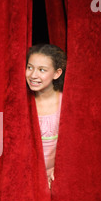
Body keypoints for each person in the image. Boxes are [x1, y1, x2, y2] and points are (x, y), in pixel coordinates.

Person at [25, 44, 67, 190]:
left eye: (42, 70)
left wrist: (62, 172)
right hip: (27, 179)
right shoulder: (21, 104)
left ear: (57, 73)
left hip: (57, 179)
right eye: (30, 67)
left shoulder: (66, 104)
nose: (33, 75)